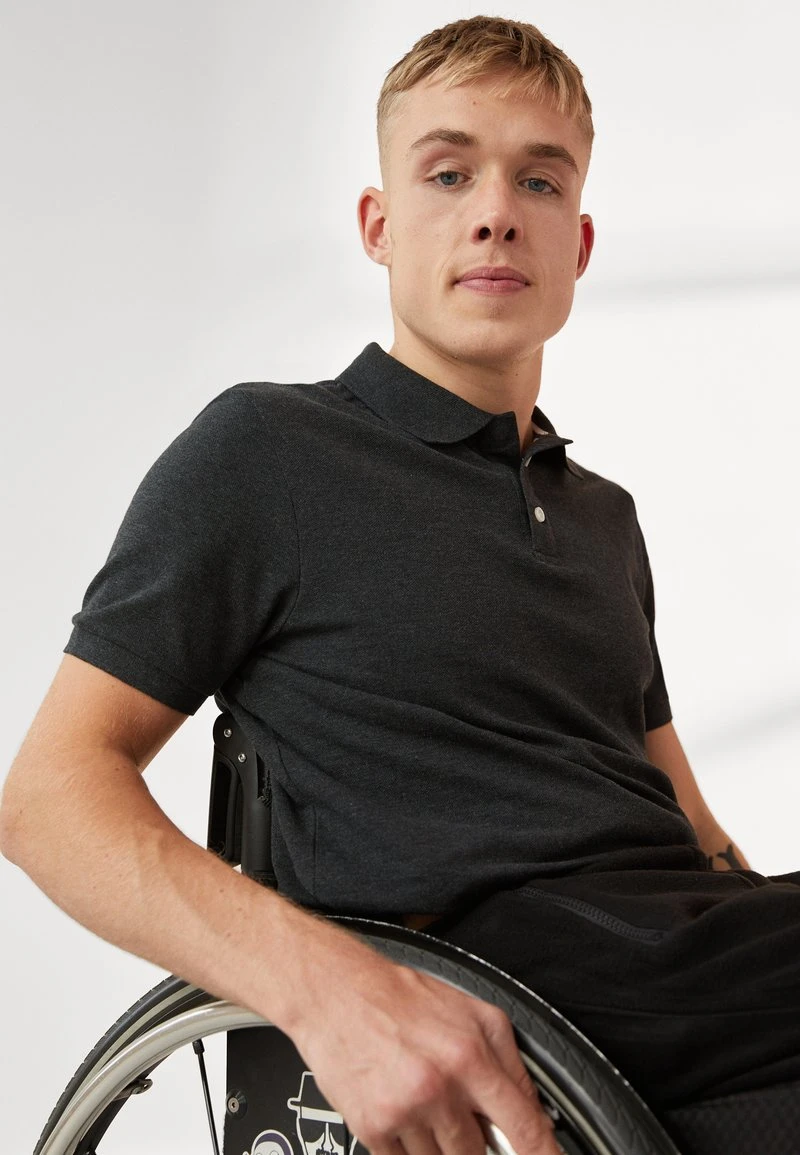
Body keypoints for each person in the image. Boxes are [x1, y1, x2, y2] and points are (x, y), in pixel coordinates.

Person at [2, 14, 798, 1155]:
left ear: (578, 244)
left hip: (680, 966)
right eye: (448, 173)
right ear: (378, 226)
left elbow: (692, 830)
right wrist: (330, 990)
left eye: (538, 180)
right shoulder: (268, 452)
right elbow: (47, 798)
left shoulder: (603, 518)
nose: (495, 211)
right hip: (506, 972)